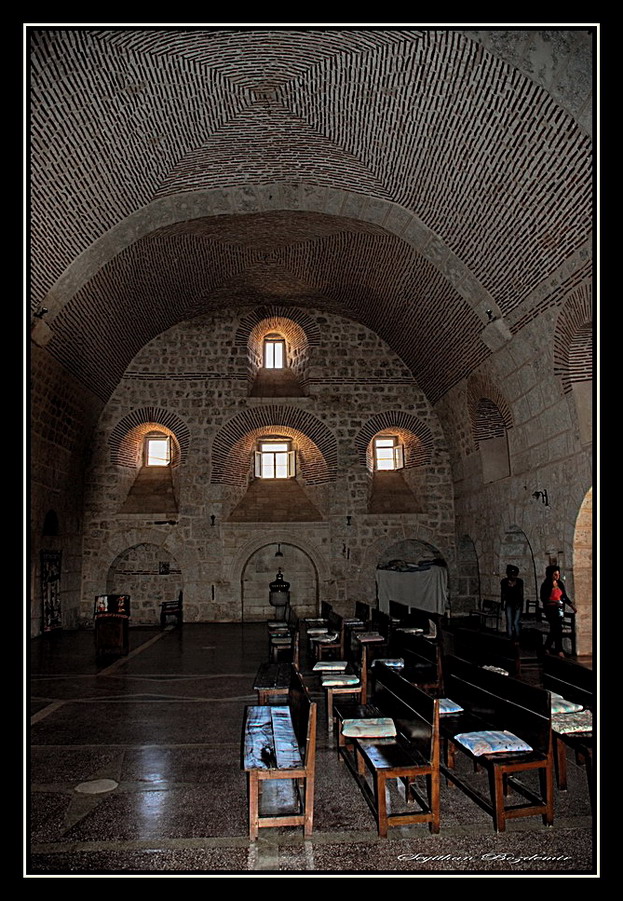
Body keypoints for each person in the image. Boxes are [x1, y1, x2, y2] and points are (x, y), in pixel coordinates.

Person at [539, 565, 577, 657]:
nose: (557, 576)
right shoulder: (546, 585)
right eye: (555, 574)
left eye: (558, 574)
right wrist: (554, 601)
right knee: (557, 627)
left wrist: (572, 606)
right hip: (550, 609)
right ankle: (559, 650)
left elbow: (564, 597)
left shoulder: (560, 584)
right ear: (551, 575)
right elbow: (544, 598)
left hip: (559, 609)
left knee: (555, 629)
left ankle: (547, 647)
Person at [501, 565, 524, 640]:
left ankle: (517, 638)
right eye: (512, 574)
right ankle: (510, 638)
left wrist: (521, 605)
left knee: (516, 622)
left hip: (517, 603)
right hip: (509, 603)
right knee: (509, 622)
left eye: (515, 574)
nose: (513, 576)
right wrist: (502, 604)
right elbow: (503, 594)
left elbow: (521, 595)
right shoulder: (504, 582)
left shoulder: (520, 582)